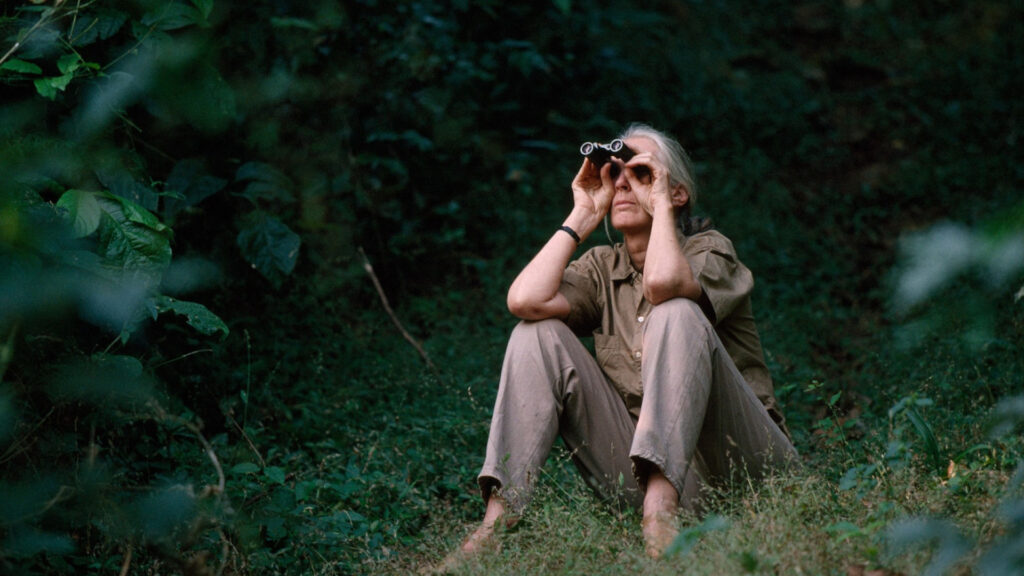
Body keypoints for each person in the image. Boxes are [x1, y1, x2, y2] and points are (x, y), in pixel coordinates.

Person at [447, 123, 797, 567]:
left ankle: (659, 518)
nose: (624, 182)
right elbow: (525, 300)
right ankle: (496, 526)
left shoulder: (712, 251)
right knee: (535, 332)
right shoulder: (601, 267)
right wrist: (583, 216)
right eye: (615, 172)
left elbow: (664, 283)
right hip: (655, 476)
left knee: (674, 309)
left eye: (643, 172)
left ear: (677, 193)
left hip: (747, 471)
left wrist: (661, 205)